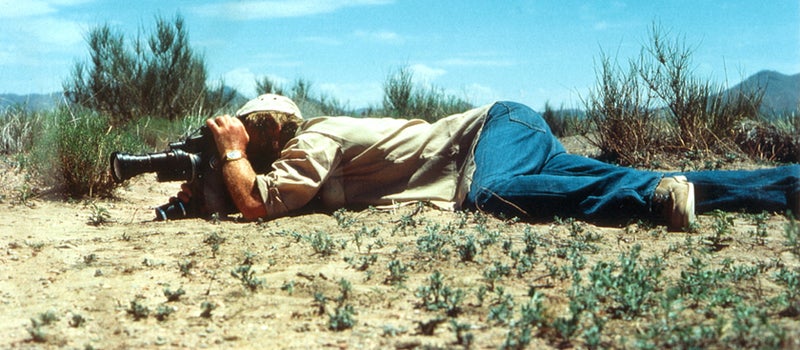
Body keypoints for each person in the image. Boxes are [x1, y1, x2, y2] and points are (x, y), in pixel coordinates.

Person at [174, 94, 800, 232]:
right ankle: (782, 186)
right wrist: (200, 190)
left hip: (489, 138)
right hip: (508, 128)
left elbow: (257, 202)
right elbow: (248, 193)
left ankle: (647, 202)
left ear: (262, 135)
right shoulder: (305, 151)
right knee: (646, 181)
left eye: (243, 138)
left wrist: (227, 154)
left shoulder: (312, 141)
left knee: (492, 195)